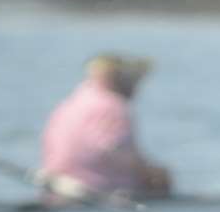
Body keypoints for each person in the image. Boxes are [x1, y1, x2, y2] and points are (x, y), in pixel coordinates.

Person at [39, 54, 172, 204]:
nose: (137, 87)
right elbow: (113, 150)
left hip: (57, 191)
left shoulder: (70, 104)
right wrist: (152, 173)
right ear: (115, 78)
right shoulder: (111, 106)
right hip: (96, 194)